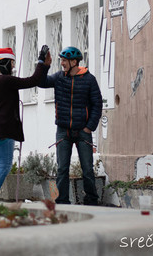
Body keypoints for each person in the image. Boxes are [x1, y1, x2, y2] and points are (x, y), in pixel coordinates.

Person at [0, 47, 52, 202]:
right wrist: (41, 61)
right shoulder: (6, 80)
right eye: (12, 63)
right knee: (4, 168)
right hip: (4, 130)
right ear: (5, 63)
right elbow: (32, 81)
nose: (13, 66)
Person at [39, 46, 103, 205]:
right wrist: (42, 63)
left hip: (83, 131)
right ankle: (62, 202)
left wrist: (89, 127)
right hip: (63, 131)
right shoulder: (59, 77)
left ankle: (92, 201)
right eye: (61, 60)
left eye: (64, 60)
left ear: (74, 62)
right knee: (62, 169)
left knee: (88, 169)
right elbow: (41, 82)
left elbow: (97, 104)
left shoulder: (89, 79)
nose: (61, 63)